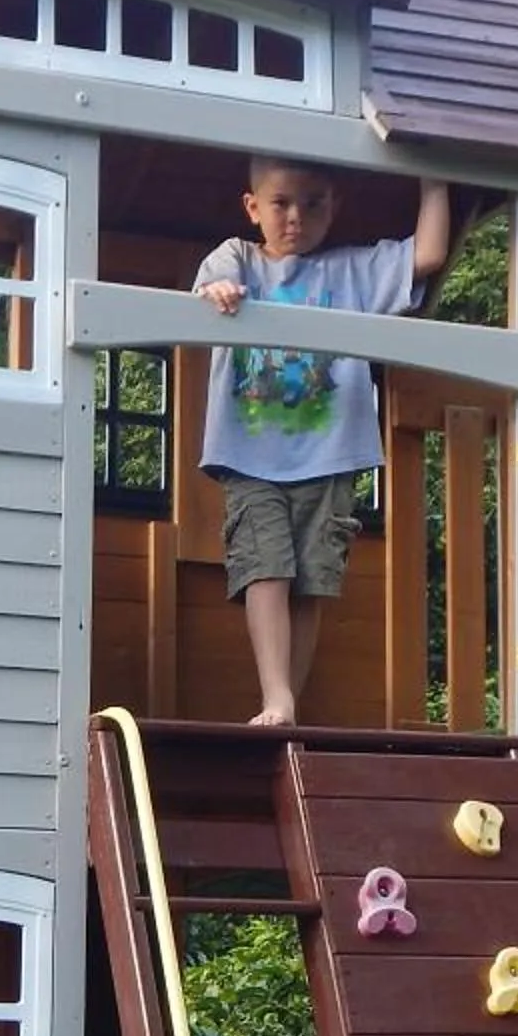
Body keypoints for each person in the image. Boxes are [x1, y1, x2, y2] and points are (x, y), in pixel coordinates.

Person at [195, 161, 452, 726]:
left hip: (329, 456)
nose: (296, 217)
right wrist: (219, 291)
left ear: (334, 207)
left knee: (311, 580)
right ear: (253, 207)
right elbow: (208, 287)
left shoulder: (352, 272)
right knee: (267, 568)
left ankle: (288, 699)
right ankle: (276, 694)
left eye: (314, 204)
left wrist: (434, 176)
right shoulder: (238, 257)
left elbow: (427, 255)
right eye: (281, 202)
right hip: (250, 454)